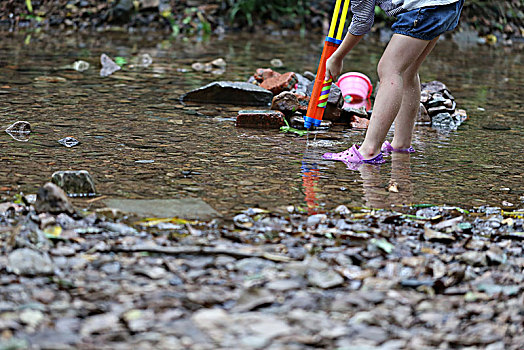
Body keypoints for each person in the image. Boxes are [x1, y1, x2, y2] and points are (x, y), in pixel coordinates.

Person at [322, 0, 464, 165]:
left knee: (389, 69)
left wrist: (337, 57)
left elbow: (362, 21)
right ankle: (401, 144)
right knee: (408, 71)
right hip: (447, 3)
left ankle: (368, 151)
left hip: (425, 7)